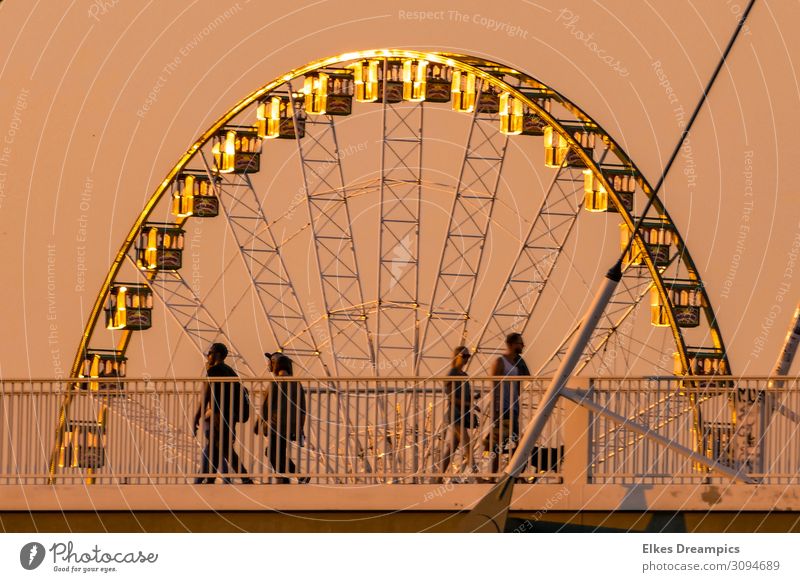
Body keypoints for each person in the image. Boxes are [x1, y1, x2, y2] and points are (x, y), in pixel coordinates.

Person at [192, 342, 253, 484]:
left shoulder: (214, 371)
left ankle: (245, 478)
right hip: (230, 416)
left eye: (210, 354)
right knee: (215, 447)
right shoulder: (230, 371)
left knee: (224, 448)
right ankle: (208, 479)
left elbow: (206, 396)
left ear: (217, 354)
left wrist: (196, 417)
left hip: (219, 416)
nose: (208, 357)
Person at [256, 354, 307, 484]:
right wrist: (300, 428)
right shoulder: (297, 384)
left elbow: (265, 407)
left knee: (273, 453)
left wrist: (258, 424)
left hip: (275, 425)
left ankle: (295, 476)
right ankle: (287, 477)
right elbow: (302, 410)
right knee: (276, 452)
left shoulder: (275, 383)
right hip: (291, 425)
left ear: (275, 365)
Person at [486, 332, 530, 475]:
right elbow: (493, 384)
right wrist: (495, 408)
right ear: (511, 344)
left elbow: (528, 377)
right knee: (499, 443)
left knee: (519, 443)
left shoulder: (518, 363)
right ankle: (494, 475)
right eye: (520, 343)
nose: (522, 346)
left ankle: (513, 472)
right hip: (501, 408)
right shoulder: (500, 361)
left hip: (513, 408)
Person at [440, 346, 479, 480]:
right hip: (455, 413)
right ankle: (476, 475)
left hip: (464, 413)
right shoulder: (452, 373)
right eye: (465, 356)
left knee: (451, 448)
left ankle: (438, 477)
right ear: (456, 356)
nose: (467, 359)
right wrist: (468, 404)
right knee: (467, 443)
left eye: (469, 356)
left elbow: (464, 395)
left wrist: (473, 399)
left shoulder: (464, 375)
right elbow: (450, 396)